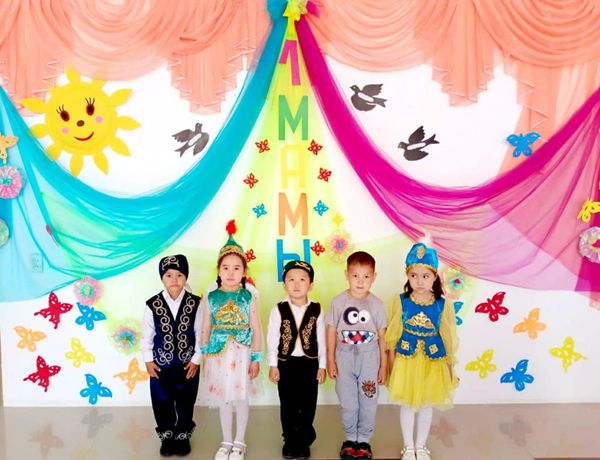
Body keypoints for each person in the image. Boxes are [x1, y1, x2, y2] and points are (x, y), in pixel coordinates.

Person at [385, 243, 459, 460]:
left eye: (425, 276)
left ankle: (421, 445)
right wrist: (390, 366)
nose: (419, 281)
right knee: (407, 404)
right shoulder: (400, 302)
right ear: (407, 276)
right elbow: (392, 337)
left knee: (426, 405)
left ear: (435, 277)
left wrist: (450, 369)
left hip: (432, 363)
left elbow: (448, 338)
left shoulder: (442, 305)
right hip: (406, 362)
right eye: (414, 275)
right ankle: (408, 446)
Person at [200, 220, 262, 460]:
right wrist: (204, 354)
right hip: (218, 354)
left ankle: (240, 441)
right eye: (225, 267)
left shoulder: (248, 296)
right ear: (218, 271)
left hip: (242, 353)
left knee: (241, 396)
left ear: (244, 272)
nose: (231, 272)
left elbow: (256, 328)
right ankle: (226, 440)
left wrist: (256, 358)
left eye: (237, 268)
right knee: (224, 398)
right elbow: (206, 326)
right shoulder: (211, 297)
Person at [326, 251, 388, 460]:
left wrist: (383, 366)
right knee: (348, 400)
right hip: (343, 356)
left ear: (374, 277)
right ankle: (351, 437)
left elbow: (383, 337)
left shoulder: (377, 305)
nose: (360, 282)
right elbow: (331, 331)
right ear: (347, 275)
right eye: (355, 276)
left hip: (369, 358)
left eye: (366, 276)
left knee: (368, 399)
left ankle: (364, 440)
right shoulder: (338, 302)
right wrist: (330, 360)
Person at [141, 254, 201, 457]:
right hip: (160, 365)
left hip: (187, 364)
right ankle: (167, 436)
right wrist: (148, 360)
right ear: (162, 278)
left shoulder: (196, 303)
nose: (174, 279)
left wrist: (196, 359)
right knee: (161, 400)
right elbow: (147, 335)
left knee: (186, 400)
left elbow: (201, 334)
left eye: (179, 275)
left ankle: (183, 435)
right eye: (168, 275)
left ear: (186, 277)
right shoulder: (152, 304)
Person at [267, 260, 326, 460]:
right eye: (291, 279)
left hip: (310, 363)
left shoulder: (317, 309)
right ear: (284, 285)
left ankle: (304, 439)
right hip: (286, 363)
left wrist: (322, 365)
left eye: (302, 279)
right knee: (288, 404)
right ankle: (290, 441)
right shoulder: (278, 309)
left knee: (308, 403)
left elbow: (322, 339)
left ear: (311, 285)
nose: (296, 284)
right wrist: (273, 365)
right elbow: (272, 338)